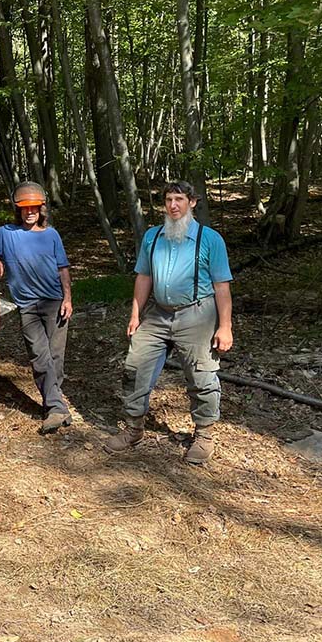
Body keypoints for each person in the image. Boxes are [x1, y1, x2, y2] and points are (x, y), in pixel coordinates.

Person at [105, 181, 233, 464]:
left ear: (193, 203)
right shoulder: (153, 236)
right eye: (168, 200)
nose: (173, 205)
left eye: (179, 199)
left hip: (197, 314)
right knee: (135, 366)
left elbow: (222, 286)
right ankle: (134, 428)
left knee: (202, 375)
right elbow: (144, 277)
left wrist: (225, 327)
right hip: (158, 313)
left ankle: (204, 435)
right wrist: (135, 314)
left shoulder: (210, 239)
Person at [0, 182, 74, 434]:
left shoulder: (51, 235)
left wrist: (68, 298)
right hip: (28, 306)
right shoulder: (6, 234)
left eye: (34, 207)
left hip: (54, 302)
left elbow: (63, 269)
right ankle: (56, 407)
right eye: (25, 208)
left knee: (56, 358)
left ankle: (54, 406)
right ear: (18, 210)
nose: (30, 212)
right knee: (39, 355)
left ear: (41, 209)